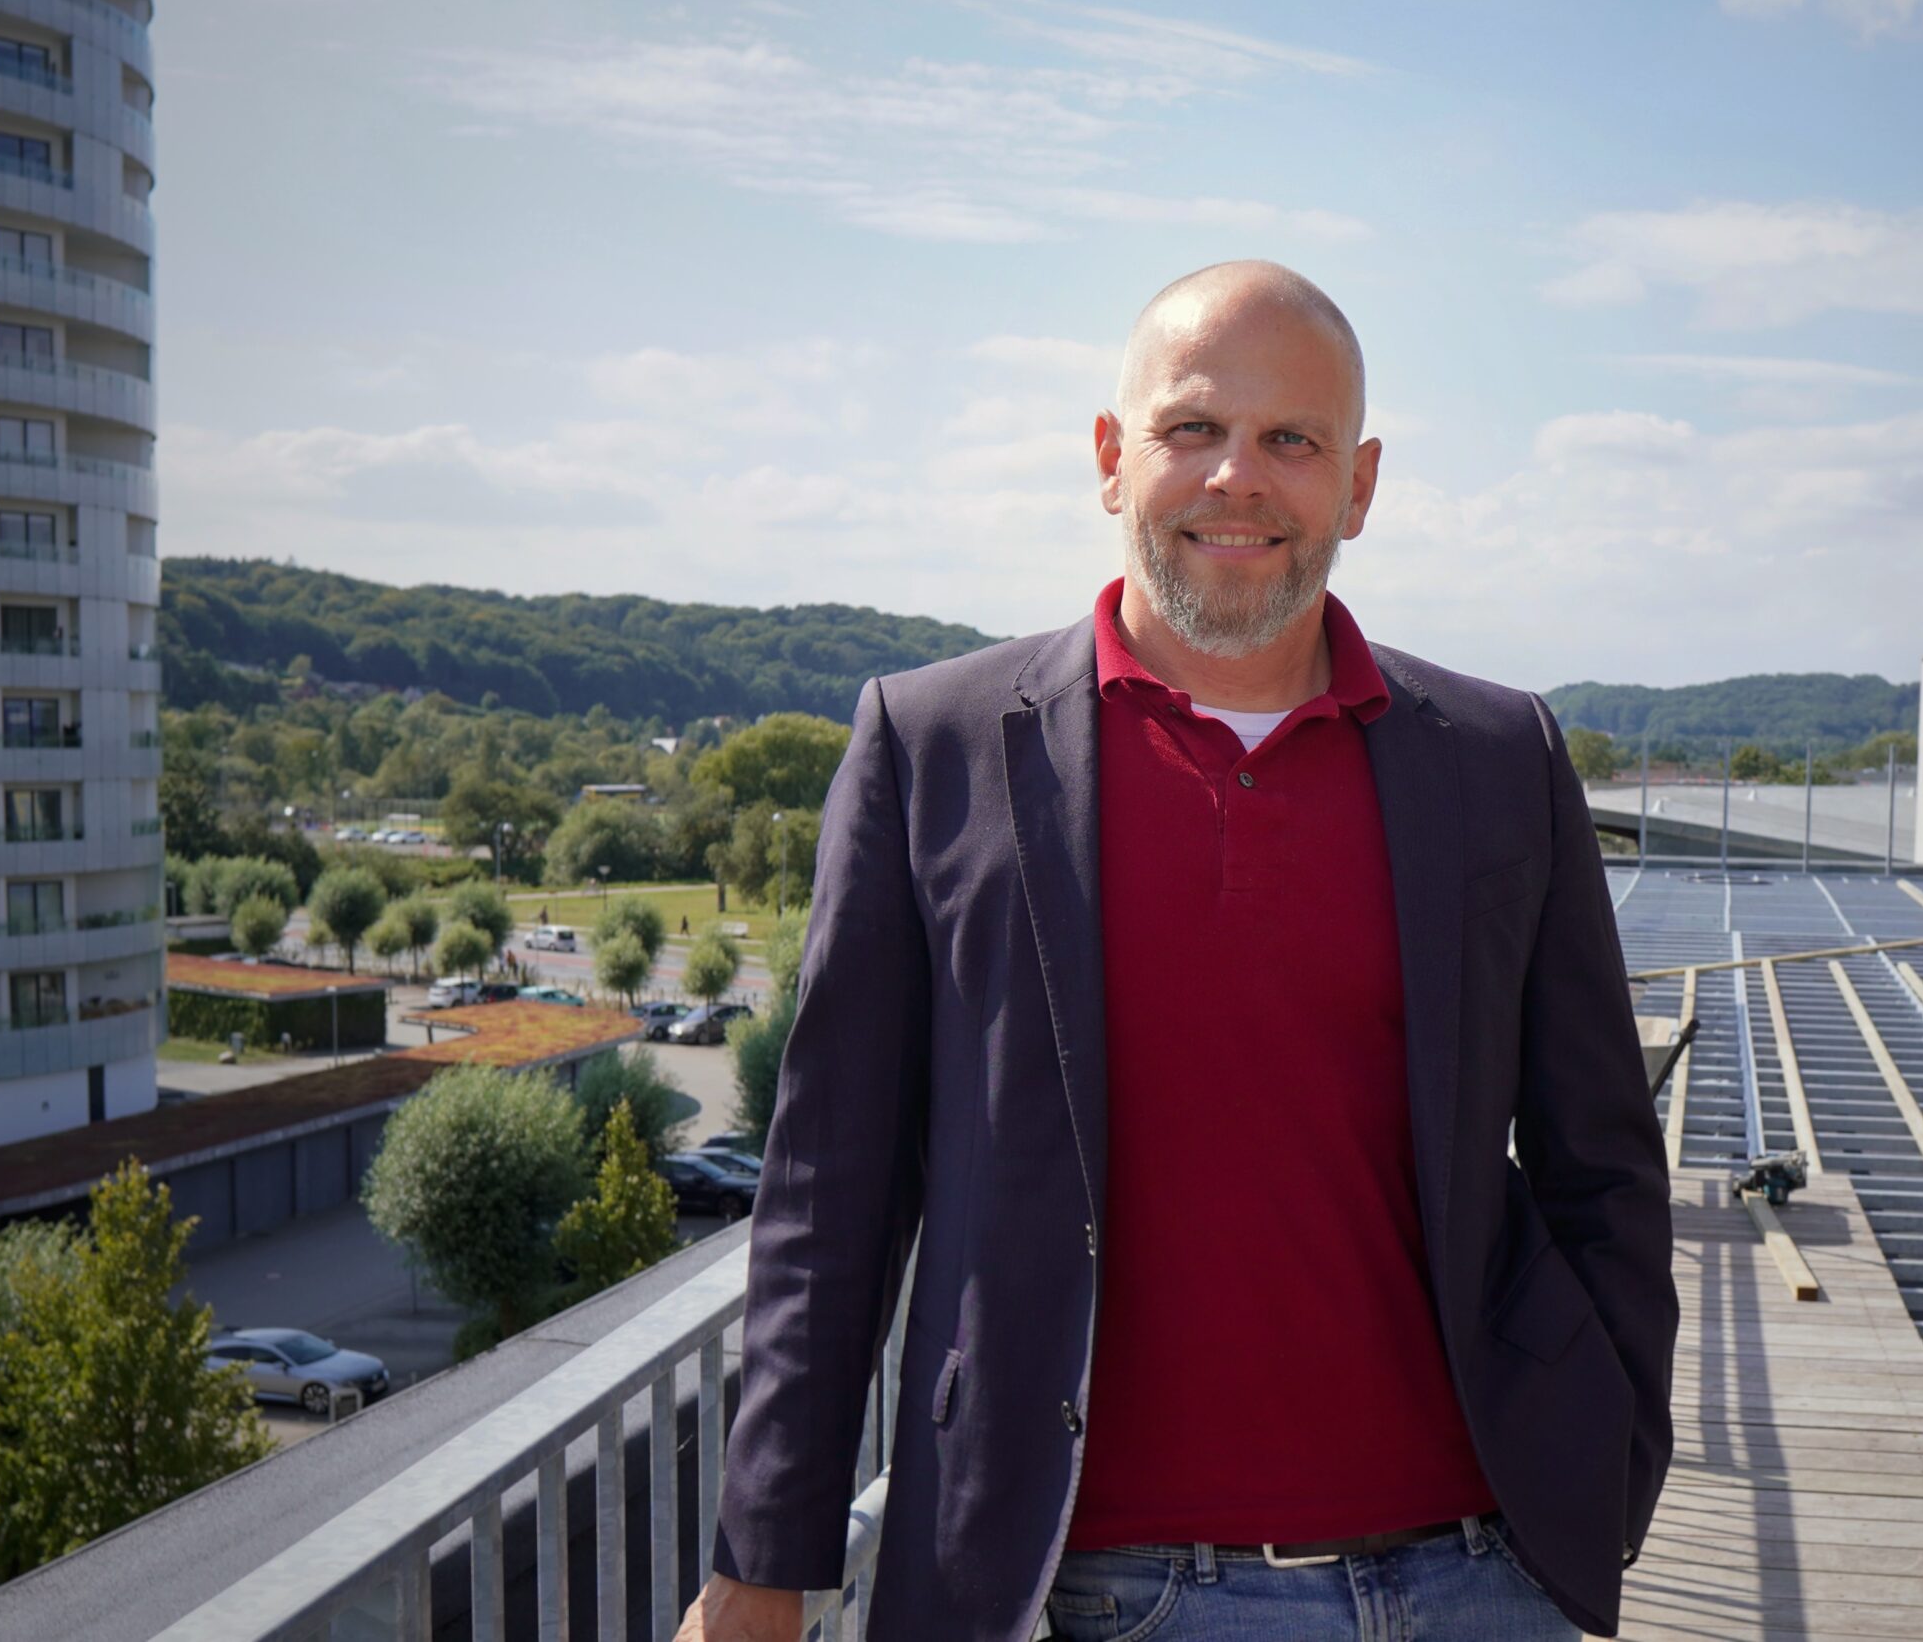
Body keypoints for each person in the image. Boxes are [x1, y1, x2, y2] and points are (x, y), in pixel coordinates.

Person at [681, 263, 1677, 1642]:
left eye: (1292, 440)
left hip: (1481, 1576)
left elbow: (1602, 1163)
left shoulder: (1502, 759)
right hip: (1096, 1589)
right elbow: (828, 1193)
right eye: (1193, 429)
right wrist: (765, 1558)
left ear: (1359, 485)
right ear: (1112, 457)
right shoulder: (935, 749)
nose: (1237, 479)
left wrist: (1613, 1457)